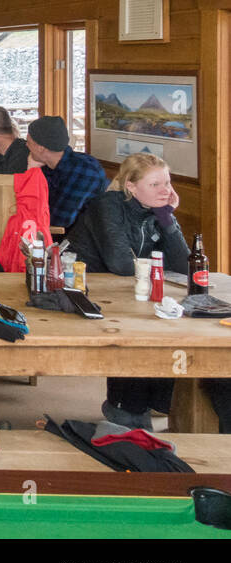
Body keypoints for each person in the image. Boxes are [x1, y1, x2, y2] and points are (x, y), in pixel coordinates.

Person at [65, 153, 190, 429]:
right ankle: (126, 412)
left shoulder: (157, 211)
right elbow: (120, 263)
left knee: (165, 323)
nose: (165, 191)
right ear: (131, 187)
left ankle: (151, 407)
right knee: (137, 331)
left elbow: (183, 266)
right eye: (155, 184)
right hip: (83, 288)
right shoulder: (107, 206)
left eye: (168, 183)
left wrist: (168, 220)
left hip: (127, 290)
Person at [26, 115, 108, 229]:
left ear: (40, 148)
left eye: (28, 142)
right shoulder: (48, 167)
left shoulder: (83, 171)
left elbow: (58, 221)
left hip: (83, 241)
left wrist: (33, 171)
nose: (26, 145)